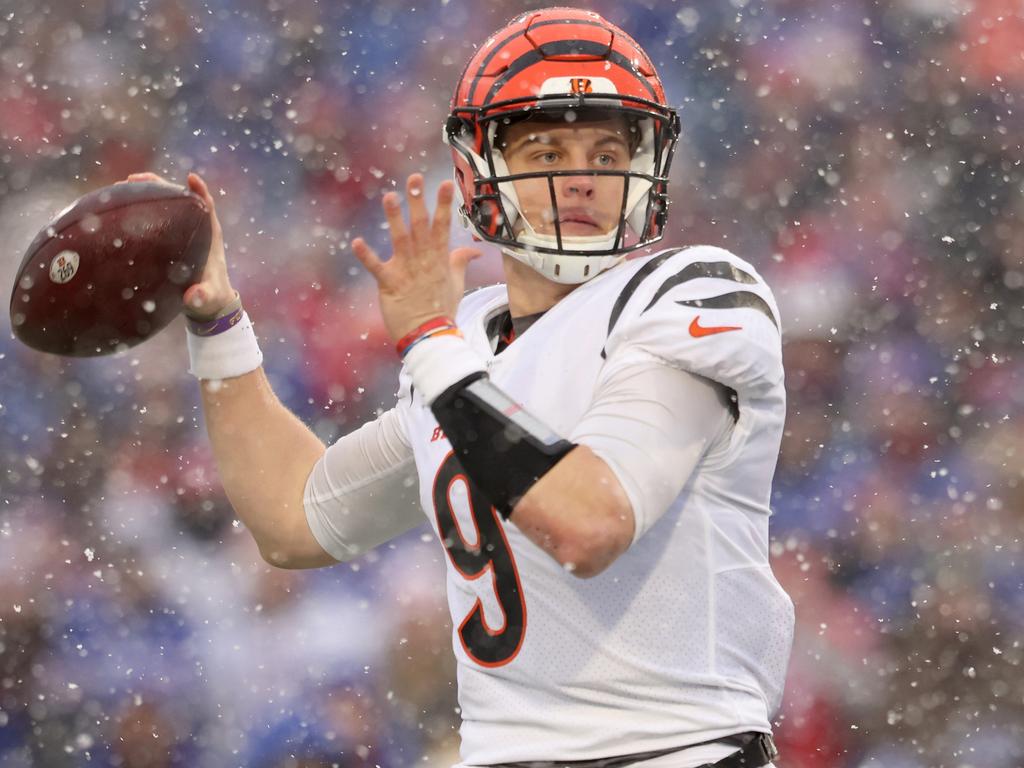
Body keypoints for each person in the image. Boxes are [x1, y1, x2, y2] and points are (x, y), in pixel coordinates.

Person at [130, 8, 793, 768]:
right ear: (481, 169)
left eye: (608, 150)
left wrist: (429, 348)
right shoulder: (471, 339)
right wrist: (218, 323)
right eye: (547, 148)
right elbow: (294, 519)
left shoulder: (691, 290)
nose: (582, 177)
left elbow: (588, 524)